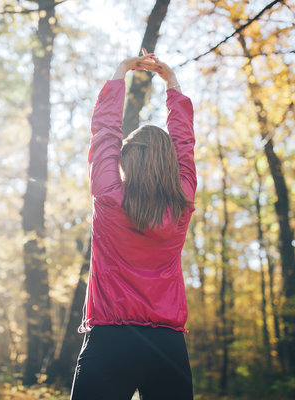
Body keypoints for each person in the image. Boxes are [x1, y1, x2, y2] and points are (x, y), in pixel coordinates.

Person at [70, 52, 197, 400]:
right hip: (167, 346)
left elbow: (105, 132)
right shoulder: (182, 201)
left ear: (126, 158)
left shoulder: (110, 196)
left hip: (111, 339)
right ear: (170, 163)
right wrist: (173, 84)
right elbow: (184, 145)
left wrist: (119, 73)